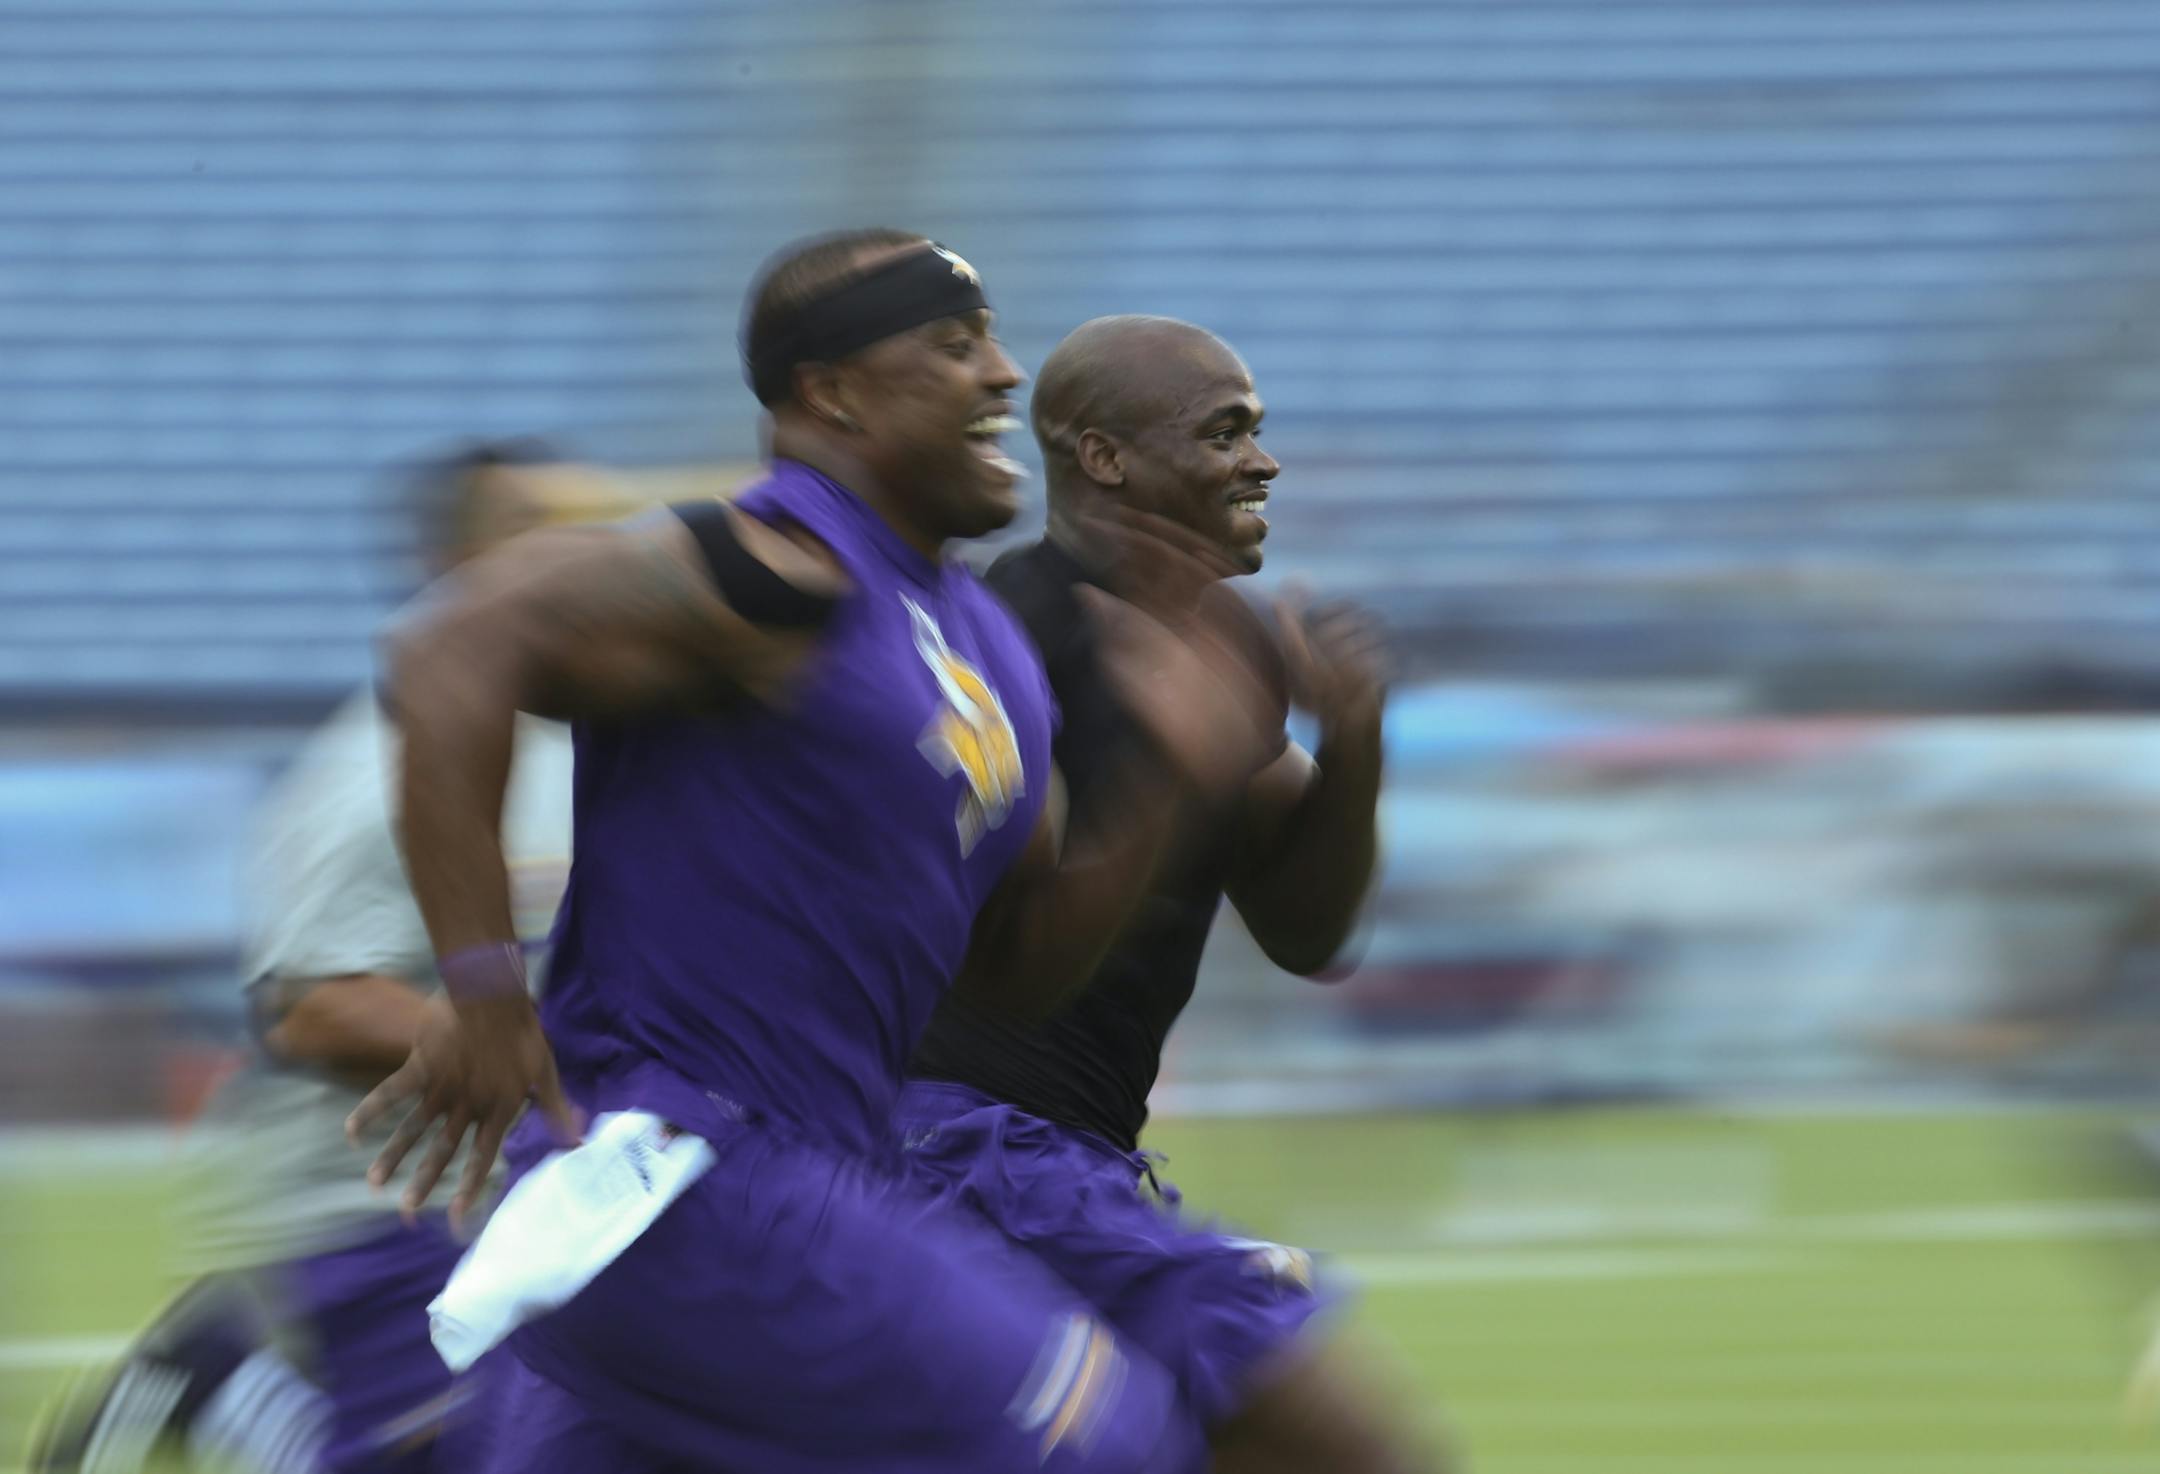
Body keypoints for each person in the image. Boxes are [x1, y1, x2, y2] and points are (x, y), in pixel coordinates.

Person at [347, 231, 1282, 1473]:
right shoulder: (778, 567)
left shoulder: (980, 642)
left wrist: (1171, 787)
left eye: (994, 339)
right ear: (831, 391)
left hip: (784, 1187)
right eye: (955, 347)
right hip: (697, 1175)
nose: (1005, 374)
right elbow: (450, 650)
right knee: (1114, 1440)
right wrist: (479, 990)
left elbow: (1016, 964)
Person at [897, 315, 1437, 1472]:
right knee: (1343, 1448)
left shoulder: (1214, 642)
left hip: (1057, 1157)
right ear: (1104, 457)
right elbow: (978, 930)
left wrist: (1352, 743)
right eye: (1226, 430)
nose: (1263, 459)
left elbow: (1308, 930)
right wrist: (1167, 777)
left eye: (1258, 430)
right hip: (969, 1149)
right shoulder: (1005, 636)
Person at [28, 441, 628, 1474]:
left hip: (538, 1190)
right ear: (458, 566)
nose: (588, 561)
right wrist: (539, 1059)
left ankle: (231, 1375)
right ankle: (226, 1379)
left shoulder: (594, 740)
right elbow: (311, 1007)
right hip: (383, 1205)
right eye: (544, 536)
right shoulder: (386, 763)